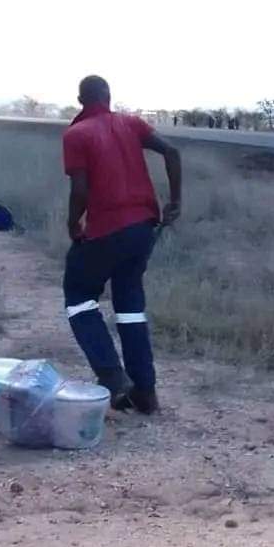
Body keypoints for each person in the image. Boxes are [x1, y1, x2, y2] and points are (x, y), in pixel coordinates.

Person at [62, 76, 181, 413]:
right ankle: (145, 393)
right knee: (129, 306)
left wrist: (73, 223)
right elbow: (172, 151)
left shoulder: (76, 134)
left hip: (106, 229)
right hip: (143, 228)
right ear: (108, 96)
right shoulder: (131, 123)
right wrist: (175, 202)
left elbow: (80, 189)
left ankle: (113, 378)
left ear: (80, 100)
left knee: (79, 295)